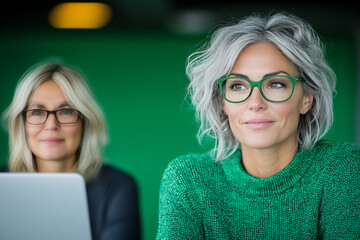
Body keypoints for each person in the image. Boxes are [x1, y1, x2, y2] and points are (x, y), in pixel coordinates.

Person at [156, 12, 360, 239]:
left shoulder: (342, 169)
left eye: (275, 84)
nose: (255, 103)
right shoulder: (188, 179)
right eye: (238, 86)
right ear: (222, 102)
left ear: (307, 99)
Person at [1, 60, 141, 240]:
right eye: (37, 112)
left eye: (66, 111)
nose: (51, 125)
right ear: (21, 123)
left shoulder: (118, 187)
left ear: (85, 121)